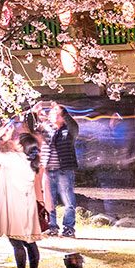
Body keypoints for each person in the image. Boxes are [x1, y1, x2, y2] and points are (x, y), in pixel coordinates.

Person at [0, 121, 46, 268]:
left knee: (16, 241)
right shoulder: (30, 161)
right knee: (29, 240)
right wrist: (6, 140)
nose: (16, 141)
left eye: (19, 141)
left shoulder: (14, 159)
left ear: (22, 147)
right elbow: (5, 151)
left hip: (14, 206)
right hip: (27, 205)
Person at [40, 102, 81, 238]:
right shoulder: (47, 130)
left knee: (68, 200)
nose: (53, 115)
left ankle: (68, 228)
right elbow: (32, 126)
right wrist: (35, 112)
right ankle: (52, 226)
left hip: (64, 170)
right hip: (48, 170)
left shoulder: (68, 131)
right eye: (52, 113)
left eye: (56, 114)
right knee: (49, 200)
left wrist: (62, 111)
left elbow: (74, 126)